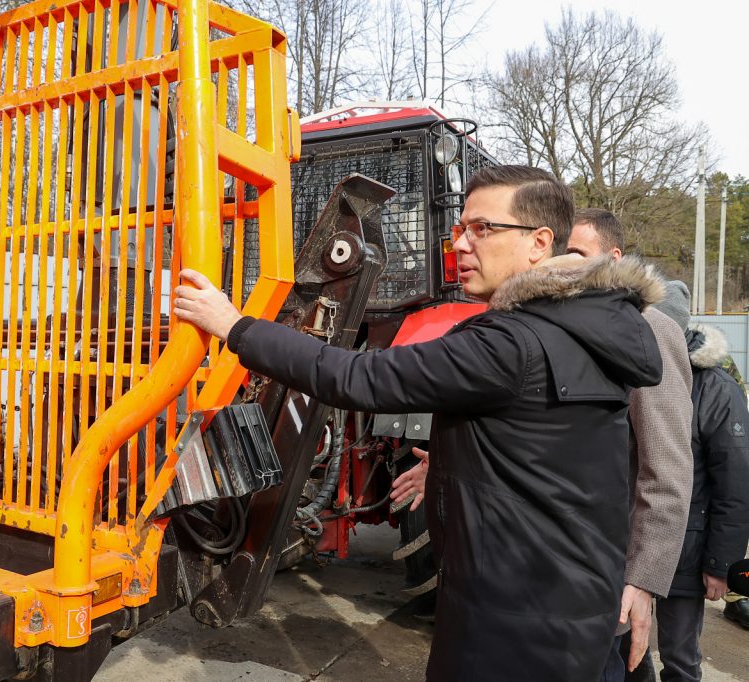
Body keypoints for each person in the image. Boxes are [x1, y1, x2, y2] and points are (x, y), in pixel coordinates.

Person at [174, 165, 664, 681]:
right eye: (459, 228)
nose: (461, 245)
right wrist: (467, 457)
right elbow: (554, 453)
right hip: (572, 605)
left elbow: (356, 378)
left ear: (539, 242)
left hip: (510, 628)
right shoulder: (589, 327)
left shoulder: (508, 343)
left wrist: (234, 326)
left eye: (483, 229)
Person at [567, 208, 694, 681]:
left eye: (578, 252)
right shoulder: (563, 325)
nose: (566, 263)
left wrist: (643, 579)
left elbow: (667, 467)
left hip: (608, 571)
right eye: (561, 251)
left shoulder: (649, 330)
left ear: (613, 257)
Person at [636, 286, 749, 680]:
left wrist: (721, 565)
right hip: (631, 542)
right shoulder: (630, 371)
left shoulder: (715, 389)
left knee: (680, 658)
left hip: (688, 548)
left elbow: (734, 483)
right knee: (627, 649)